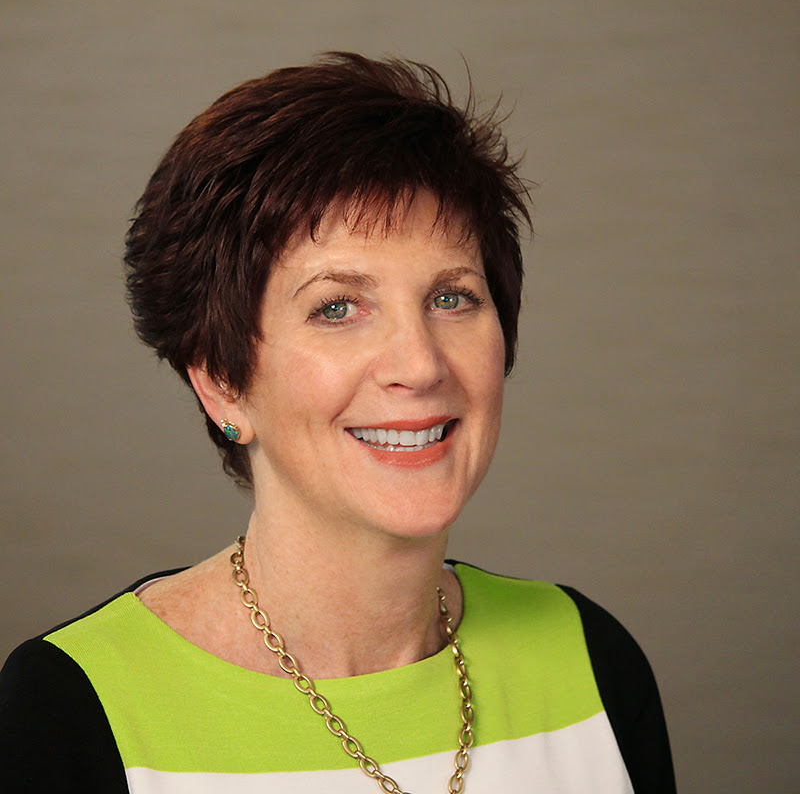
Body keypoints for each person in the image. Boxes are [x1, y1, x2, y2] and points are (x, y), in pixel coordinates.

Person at [0, 52, 675, 793]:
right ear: (221, 381)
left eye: (452, 297)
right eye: (338, 307)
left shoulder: (590, 660)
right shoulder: (70, 712)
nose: (419, 365)